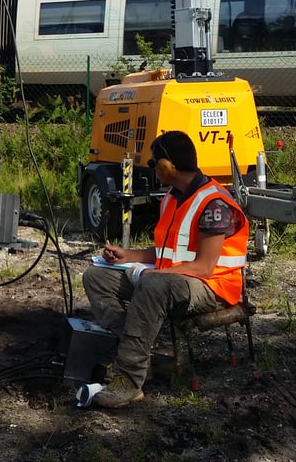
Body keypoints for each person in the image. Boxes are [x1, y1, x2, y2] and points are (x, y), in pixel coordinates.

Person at [79, 130, 249, 408]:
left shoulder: (213, 204)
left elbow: (205, 267)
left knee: (151, 284)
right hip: (176, 282)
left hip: (213, 287)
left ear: (168, 167)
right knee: (97, 277)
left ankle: (128, 381)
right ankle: (135, 355)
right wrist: (127, 256)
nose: (154, 170)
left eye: (155, 163)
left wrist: (152, 275)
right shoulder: (172, 197)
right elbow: (168, 254)